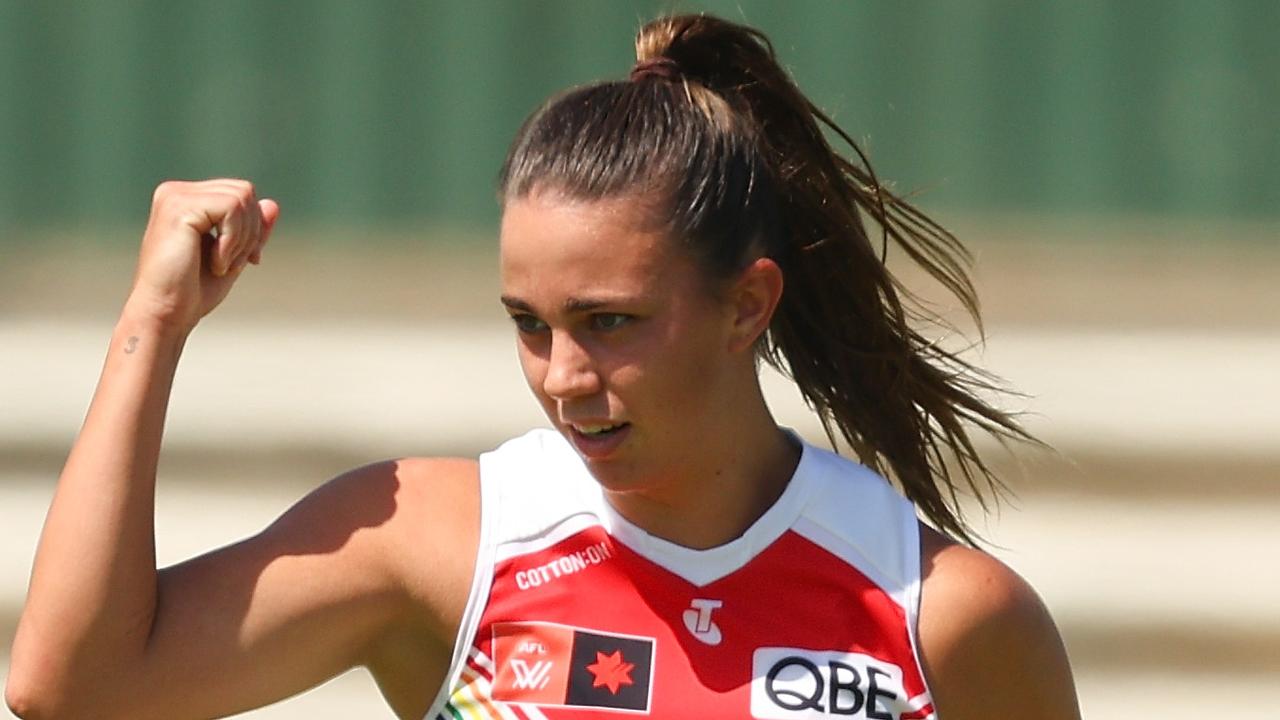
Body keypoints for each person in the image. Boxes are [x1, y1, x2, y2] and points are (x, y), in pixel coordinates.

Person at [5, 13, 1080, 720]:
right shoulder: (432, 544)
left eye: (608, 322)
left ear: (746, 304)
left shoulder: (944, 619)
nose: (562, 376)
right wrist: (153, 324)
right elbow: (70, 690)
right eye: (527, 322)